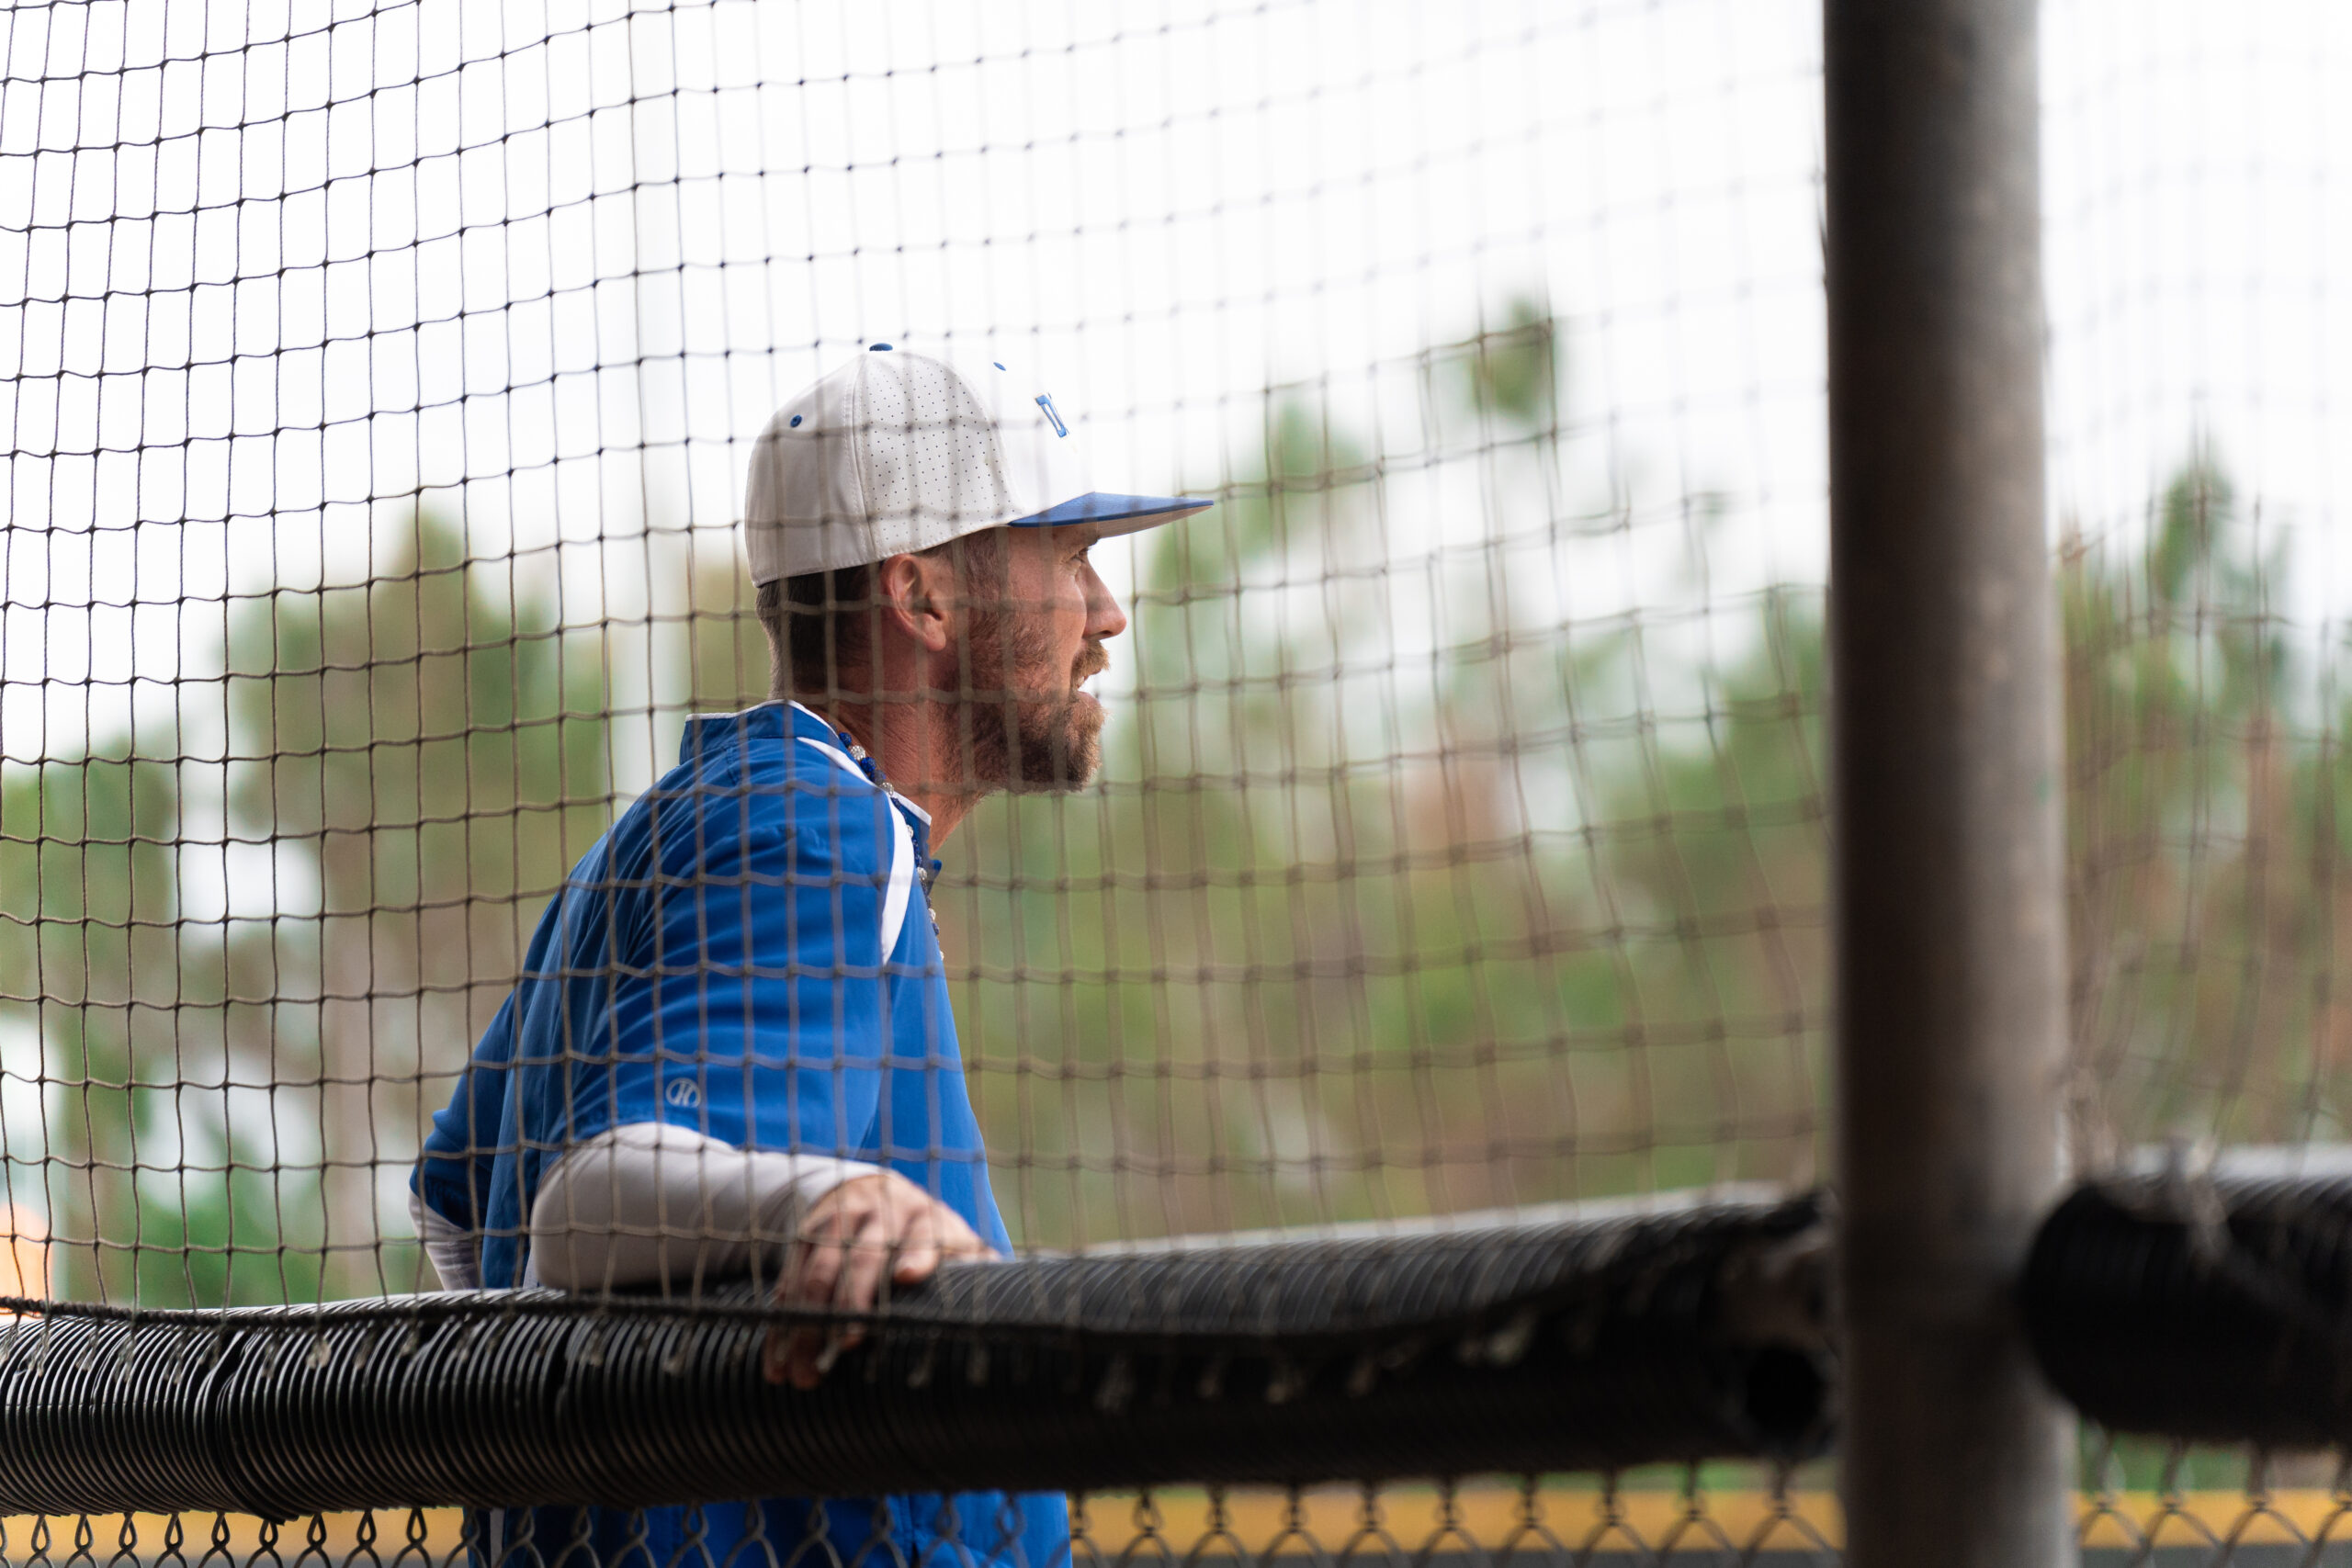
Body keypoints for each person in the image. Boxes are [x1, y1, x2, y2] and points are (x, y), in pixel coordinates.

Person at [409, 344, 1210, 1568]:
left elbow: (458, 1209)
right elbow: (580, 1206)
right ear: (922, 598)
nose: (1105, 615)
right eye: (1068, 559)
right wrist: (815, 1204)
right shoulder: (810, 821)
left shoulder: (666, 835)